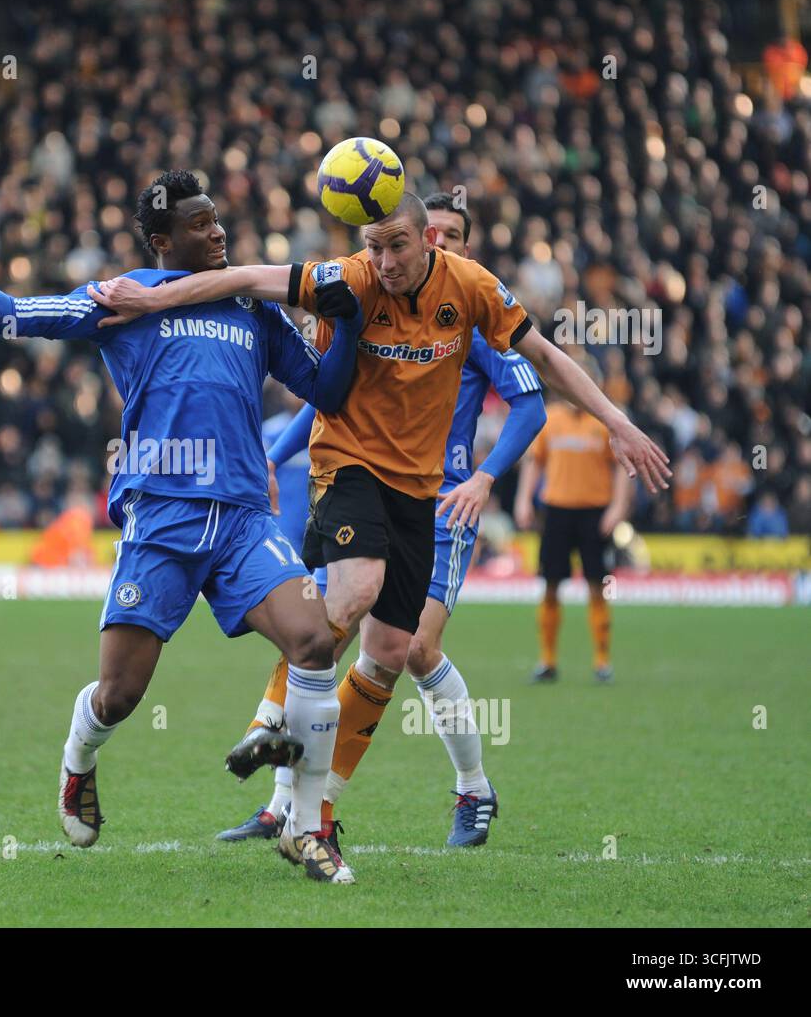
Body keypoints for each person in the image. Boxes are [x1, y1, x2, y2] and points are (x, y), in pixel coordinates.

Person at [90, 190, 671, 871]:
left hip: (436, 495)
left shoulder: (473, 304)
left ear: (437, 241)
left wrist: (525, 462)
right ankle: (296, 788)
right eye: (376, 244)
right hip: (353, 474)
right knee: (351, 614)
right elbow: (293, 341)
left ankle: (438, 787)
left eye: (428, 239)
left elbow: (535, 387)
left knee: (398, 648)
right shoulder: (357, 285)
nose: (392, 257)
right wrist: (161, 307)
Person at [0, 170, 366, 883]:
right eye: (201, 224)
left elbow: (328, 391)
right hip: (162, 519)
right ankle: (79, 760)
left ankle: (304, 830)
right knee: (120, 695)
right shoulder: (123, 298)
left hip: (243, 516)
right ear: (161, 240)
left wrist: (352, 321)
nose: (217, 232)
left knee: (313, 640)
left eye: (217, 221)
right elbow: (18, 315)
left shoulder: (248, 300)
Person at [217, 192, 548, 847]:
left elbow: (531, 404)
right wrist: (272, 456)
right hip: (363, 483)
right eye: (437, 232)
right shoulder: (376, 302)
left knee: (415, 650)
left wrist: (483, 479)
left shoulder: (472, 319)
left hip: (442, 497)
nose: (443, 244)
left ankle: (472, 787)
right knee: (329, 634)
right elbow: (333, 402)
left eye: (453, 235)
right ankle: (288, 802)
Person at [514, 358, 631, 683]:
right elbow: (534, 463)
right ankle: (548, 661)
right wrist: (524, 500)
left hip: (596, 513)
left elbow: (621, 466)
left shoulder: (605, 420)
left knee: (598, 585)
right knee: (550, 586)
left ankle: (602, 661)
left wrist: (618, 507)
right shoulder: (550, 420)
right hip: (557, 511)